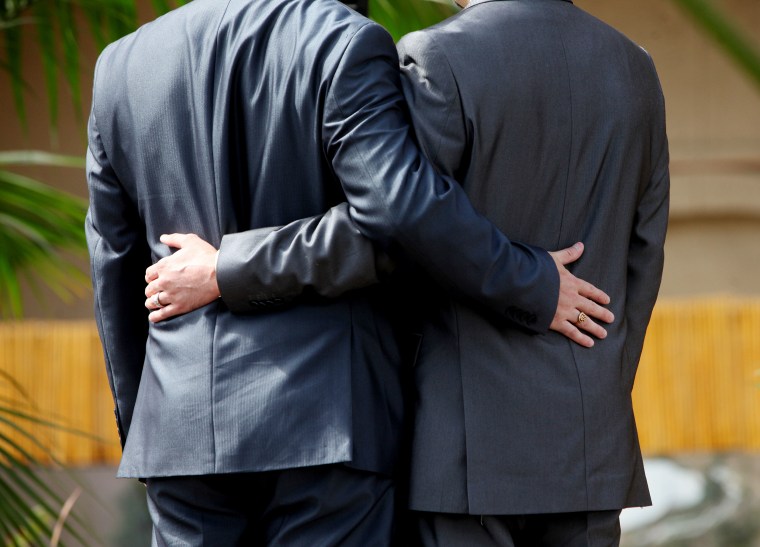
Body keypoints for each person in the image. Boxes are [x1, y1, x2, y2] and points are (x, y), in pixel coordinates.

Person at [86, 0, 614, 544]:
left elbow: (114, 272)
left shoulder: (121, 65)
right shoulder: (343, 40)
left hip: (180, 434)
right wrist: (530, 282)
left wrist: (146, 433)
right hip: (328, 427)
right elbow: (399, 215)